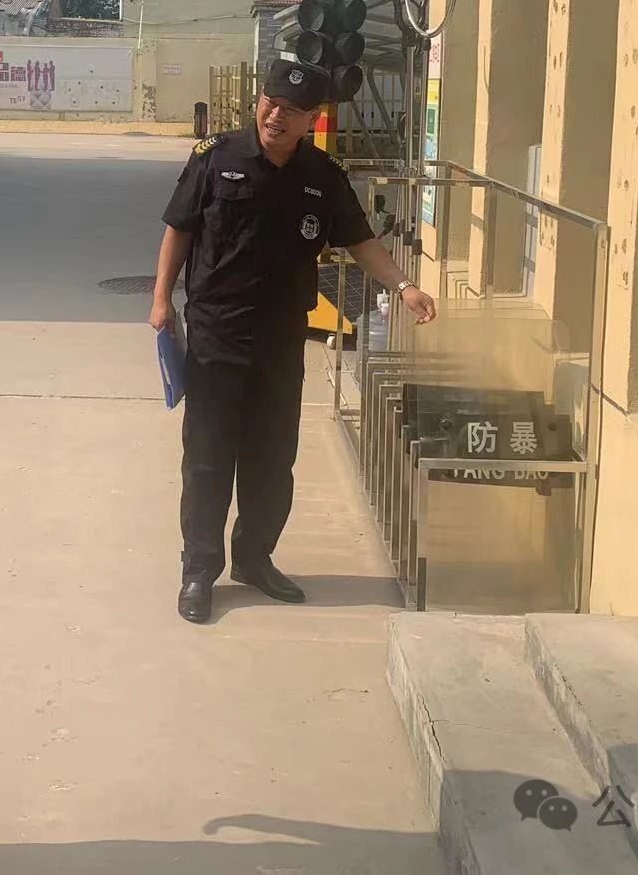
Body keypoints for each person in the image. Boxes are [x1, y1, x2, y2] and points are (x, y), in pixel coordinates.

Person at [150, 59, 437, 624]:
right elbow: (179, 228)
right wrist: (161, 300)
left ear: (313, 118)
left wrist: (404, 286)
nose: (275, 116)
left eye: (291, 110)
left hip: (281, 342)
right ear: (259, 101)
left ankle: (254, 559)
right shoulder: (216, 158)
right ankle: (198, 571)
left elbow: (360, 240)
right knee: (208, 460)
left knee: (272, 460)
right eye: (270, 103)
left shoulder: (323, 176)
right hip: (216, 335)